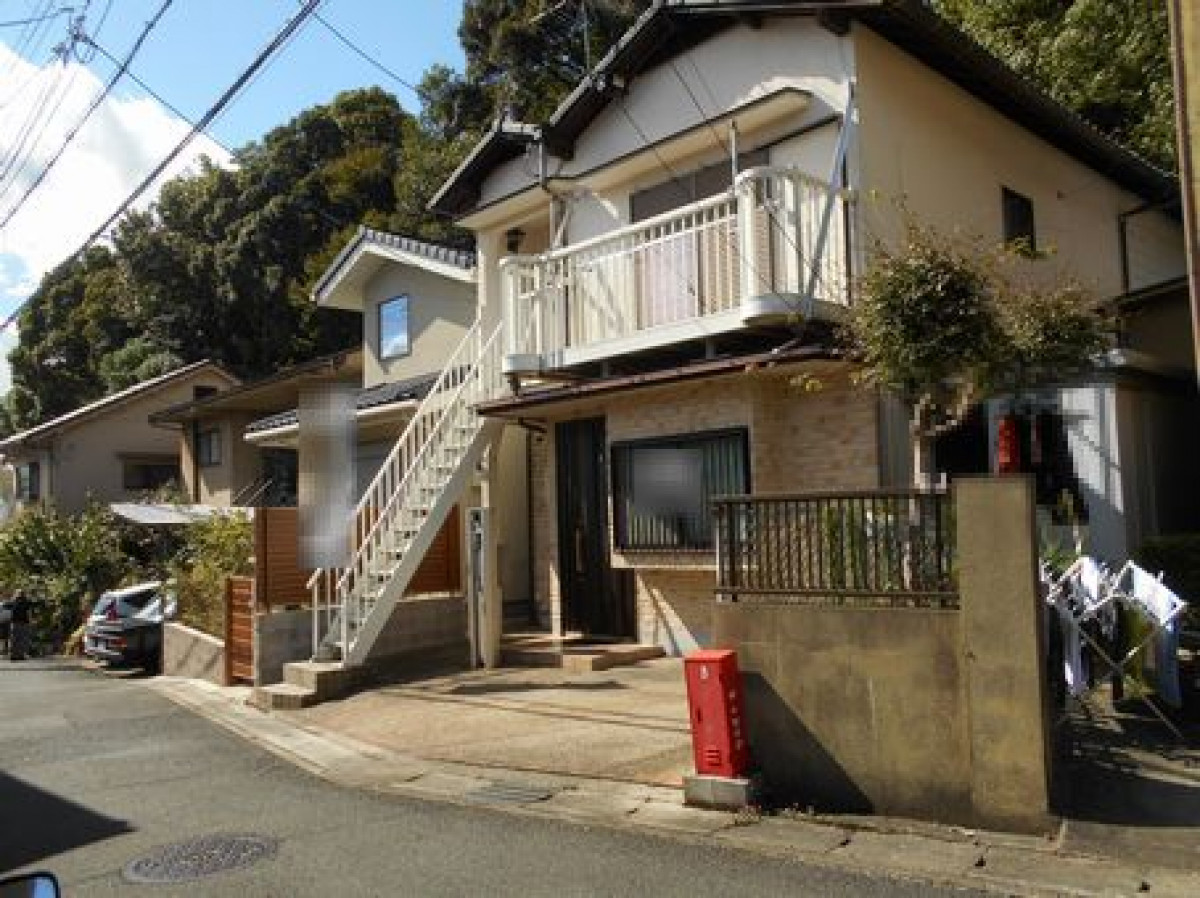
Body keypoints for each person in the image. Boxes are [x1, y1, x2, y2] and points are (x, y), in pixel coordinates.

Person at [9, 591, 32, 661]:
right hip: (23, 622)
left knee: (15, 639)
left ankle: (14, 655)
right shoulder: (26, 602)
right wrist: (30, 620)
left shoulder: (13, 601)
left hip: (15, 622)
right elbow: (28, 612)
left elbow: (7, 608)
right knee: (22, 639)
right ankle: (20, 655)